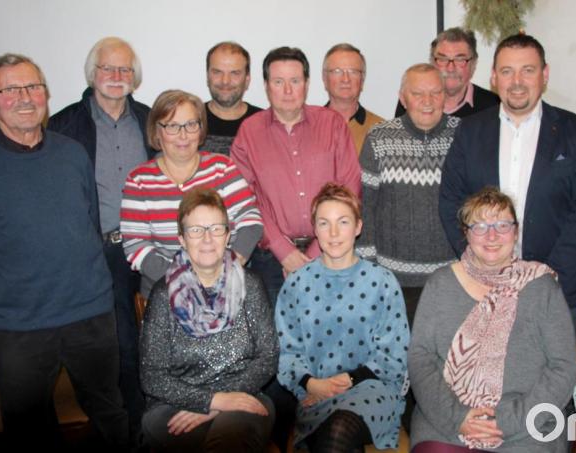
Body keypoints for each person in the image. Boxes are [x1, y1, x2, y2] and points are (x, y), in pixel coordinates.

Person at [0, 53, 128, 450]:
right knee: (29, 429)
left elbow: (88, 225)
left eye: (33, 87)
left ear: (46, 94)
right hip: (19, 329)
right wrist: (2, 300)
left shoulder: (72, 154)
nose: (25, 97)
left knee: (111, 414)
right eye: (10, 89)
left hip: (90, 315)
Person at [438, 33, 576, 335]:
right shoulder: (470, 131)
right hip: (483, 289)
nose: (517, 81)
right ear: (493, 77)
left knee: (551, 381)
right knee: (487, 381)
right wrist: (478, 264)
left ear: (545, 75)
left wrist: (548, 275)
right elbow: (452, 201)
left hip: (555, 290)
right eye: (507, 71)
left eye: (527, 70)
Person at [409, 187, 576, 452]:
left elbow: (563, 367)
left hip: (526, 426)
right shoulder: (440, 284)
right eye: (480, 226)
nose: (492, 235)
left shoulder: (543, 288)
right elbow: (420, 358)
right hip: (447, 424)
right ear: (466, 233)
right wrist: (457, 417)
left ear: (516, 231)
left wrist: (508, 421)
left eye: (502, 225)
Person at [47, 36, 152, 440]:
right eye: (107, 68)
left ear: (135, 77)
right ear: (92, 74)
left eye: (124, 69)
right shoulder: (63, 125)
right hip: (98, 252)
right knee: (121, 343)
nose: (116, 76)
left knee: (157, 337)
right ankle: (130, 427)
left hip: (146, 246)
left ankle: (162, 417)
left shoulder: (148, 119)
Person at [139, 188, 277, 452]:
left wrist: (222, 402)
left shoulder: (251, 286)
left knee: (230, 442)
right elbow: (152, 376)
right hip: (174, 405)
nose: (206, 239)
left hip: (243, 397)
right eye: (196, 230)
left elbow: (267, 357)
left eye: (215, 229)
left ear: (227, 235)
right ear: (181, 238)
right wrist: (211, 400)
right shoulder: (162, 294)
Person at [276, 183, 409, 452]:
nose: (334, 233)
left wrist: (348, 381)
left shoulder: (382, 281)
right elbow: (286, 351)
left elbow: (394, 354)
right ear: (315, 229)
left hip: (373, 389)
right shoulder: (296, 283)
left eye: (343, 222)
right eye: (324, 223)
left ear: (358, 227)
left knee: (337, 432)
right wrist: (311, 384)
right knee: (334, 438)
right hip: (316, 393)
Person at [231, 46, 361, 304]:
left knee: (332, 335)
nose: (288, 90)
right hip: (271, 261)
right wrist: (283, 250)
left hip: (332, 250)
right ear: (267, 85)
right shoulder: (249, 131)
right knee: (278, 339)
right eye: (279, 82)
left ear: (307, 83)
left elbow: (349, 188)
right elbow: (245, 198)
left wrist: (316, 251)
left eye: (295, 81)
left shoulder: (332, 124)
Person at [121, 89, 262, 297]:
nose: (183, 135)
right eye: (172, 126)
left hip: (225, 288)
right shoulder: (139, 180)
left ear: (200, 129)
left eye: (191, 125)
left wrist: (223, 272)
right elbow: (136, 246)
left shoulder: (222, 168)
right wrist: (185, 282)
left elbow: (251, 222)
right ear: (156, 131)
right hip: (166, 293)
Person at [358, 63, 459, 328]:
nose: (427, 102)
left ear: (445, 96)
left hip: (452, 277)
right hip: (393, 280)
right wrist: (370, 272)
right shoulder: (379, 138)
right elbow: (364, 209)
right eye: (417, 94)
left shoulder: (464, 136)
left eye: (435, 93)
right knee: (399, 362)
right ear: (403, 98)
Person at [395, 27, 499, 119]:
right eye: (443, 59)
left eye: (460, 60)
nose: (450, 68)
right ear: (432, 63)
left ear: (473, 64)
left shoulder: (493, 106)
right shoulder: (413, 101)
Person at [202, 41, 263, 155]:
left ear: (247, 79)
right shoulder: (188, 122)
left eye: (235, 73)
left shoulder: (265, 124)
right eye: (217, 72)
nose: (225, 81)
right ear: (207, 76)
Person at [322, 43, 384, 154]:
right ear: (324, 78)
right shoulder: (308, 127)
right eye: (337, 71)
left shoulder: (382, 130)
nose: (345, 79)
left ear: (362, 80)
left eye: (353, 72)